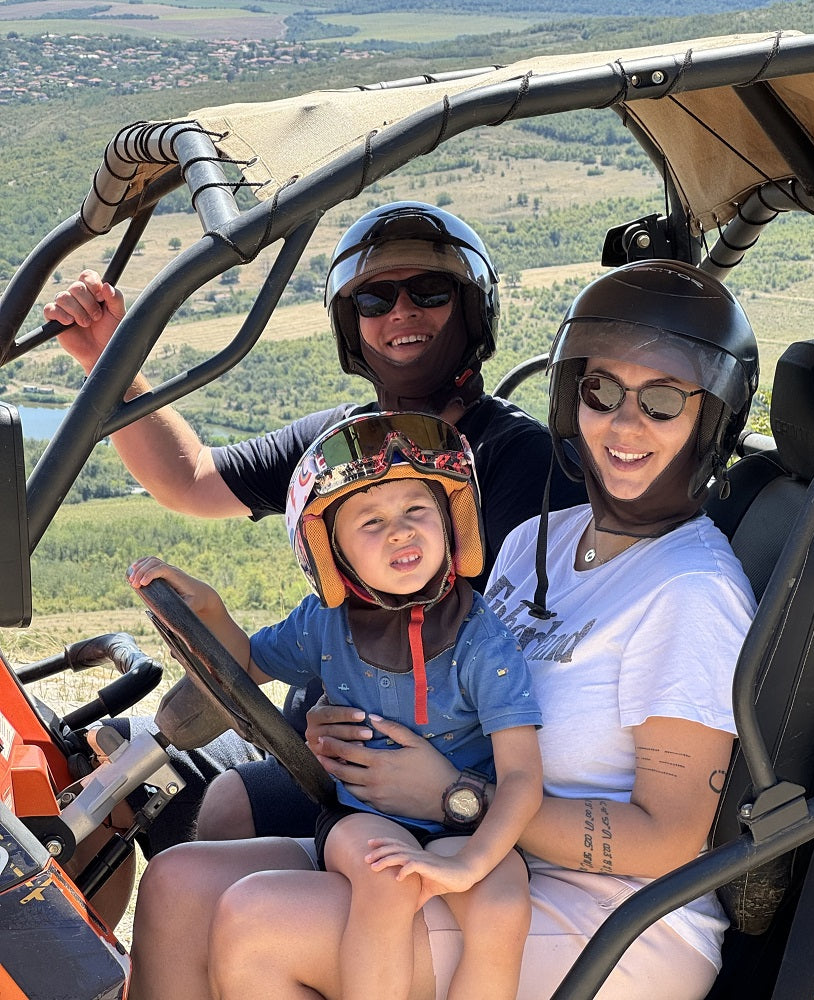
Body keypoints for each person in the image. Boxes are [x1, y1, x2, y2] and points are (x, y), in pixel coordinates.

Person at [129, 258, 760, 1000]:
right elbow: (457, 676)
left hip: (612, 915)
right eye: (602, 391)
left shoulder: (691, 592)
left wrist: (454, 796)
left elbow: (670, 841)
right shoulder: (540, 543)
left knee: (261, 918)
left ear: (707, 419)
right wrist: (360, 724)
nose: (625, 423)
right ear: (571, 398)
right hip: (479, 856)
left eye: (661, 400)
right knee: (179, 883)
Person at [43, 201, 585, 852]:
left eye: (430, 291)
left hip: (400, 773)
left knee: (219, 816)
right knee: (94, 775)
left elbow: (515, 647)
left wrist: (403, 750)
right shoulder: (342, 446)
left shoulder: (513, 458)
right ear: (352, 325)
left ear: (470, 310)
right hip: (310, 741)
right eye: (376, 299)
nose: (402, 312)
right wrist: (110, 362)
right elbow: (188, 478)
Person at [127, 411, 543, 1000]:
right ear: (333, 552)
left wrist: (473, 864)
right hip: (366, 819)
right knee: (387, 879)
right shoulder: (326, 626)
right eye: (371, 521)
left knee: (502, 904)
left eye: (417, 511)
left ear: (453, 523)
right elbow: (246, 664)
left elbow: (523, 775)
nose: (400, 532)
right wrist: (213, 613)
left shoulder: (483, 641)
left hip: (459, 821)